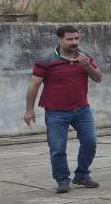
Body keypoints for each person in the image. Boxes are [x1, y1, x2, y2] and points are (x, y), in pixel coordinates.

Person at [23, 25, 103, 193]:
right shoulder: (46, 60)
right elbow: (34, 85)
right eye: (70, 39)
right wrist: (29, 110)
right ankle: (62, 180)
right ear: (60, 39)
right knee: (57, 148)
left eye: (76, 38)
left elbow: (98, 78)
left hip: (82, 110)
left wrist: (87, 66)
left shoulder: (85, 57)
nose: (74, 42)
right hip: (56, 112)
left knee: (90, 142)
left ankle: (82, 175)